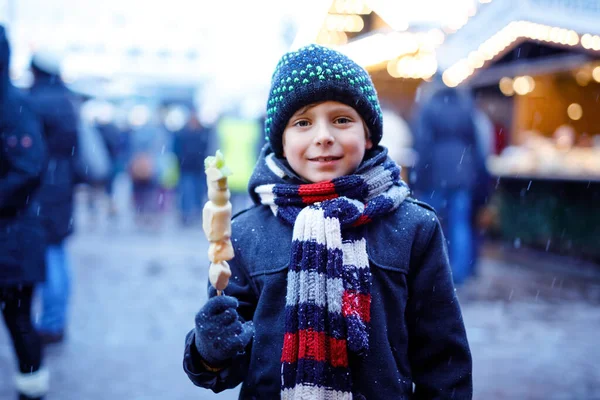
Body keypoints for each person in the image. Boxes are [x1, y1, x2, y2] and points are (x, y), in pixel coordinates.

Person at [183, 45, 472, 399]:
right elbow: (224, 369)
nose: (323, 135)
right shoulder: (244, 232)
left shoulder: (414, 227)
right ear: (280, 141)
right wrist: (209, 351)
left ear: (367, 135)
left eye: (341, 119)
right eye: (303, 122)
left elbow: (443, 358)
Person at [1, 26, 50, 400]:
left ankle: (32, 390)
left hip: (13, 237)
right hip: (15, 233)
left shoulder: (14, 106)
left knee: (18, 320)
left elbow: (29, 168)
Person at [28, 49, 80, 344]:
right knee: (58, 252)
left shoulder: (35, 102)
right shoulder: (67, 100)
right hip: (62, 186)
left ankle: (50, 323)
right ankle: (56, 318)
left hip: (42, 188)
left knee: (48, 254)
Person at [412, 84, 487, 285]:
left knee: (430, 222)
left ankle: (429, 269)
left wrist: (420, 176)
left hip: (435, 173)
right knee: (460, 224)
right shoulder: (465, 107)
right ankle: (460, 271)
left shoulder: (430, 107)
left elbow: (422, 143)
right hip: (463, 173)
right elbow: (477, 145)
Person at [173, 110, 210, 226]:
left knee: (198, 192)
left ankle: (195, 213)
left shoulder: (203, 132)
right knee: (186, 192)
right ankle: (185, 214)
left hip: (199, 167)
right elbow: (177, 149)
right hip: (186, 167)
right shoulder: (183, 133)